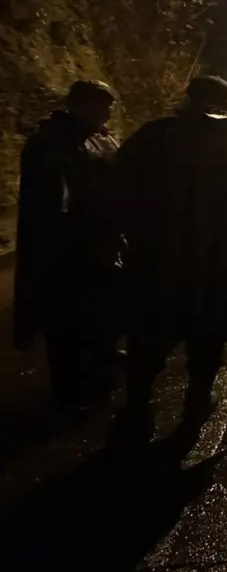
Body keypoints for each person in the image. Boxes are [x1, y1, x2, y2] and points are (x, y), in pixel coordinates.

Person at [111, 76, 227, 446]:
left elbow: (116, 189)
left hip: (160, 262)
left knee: (150, 338)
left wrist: (132, 237)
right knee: (208, 336)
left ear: (189, 99)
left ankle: (139, 410)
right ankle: (197, 401)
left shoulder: (155, 137)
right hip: (222, 266)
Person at [13, 80, 126, 412]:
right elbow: (51, 206)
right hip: (67, 252)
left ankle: (100, 371)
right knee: (67, 323)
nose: (105, 113)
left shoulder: (101, 138)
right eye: (99, 106)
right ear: (78, 105)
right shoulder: (50, 144)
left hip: (103, 243)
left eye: (108, 107)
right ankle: (69, 393)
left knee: (104, 313)